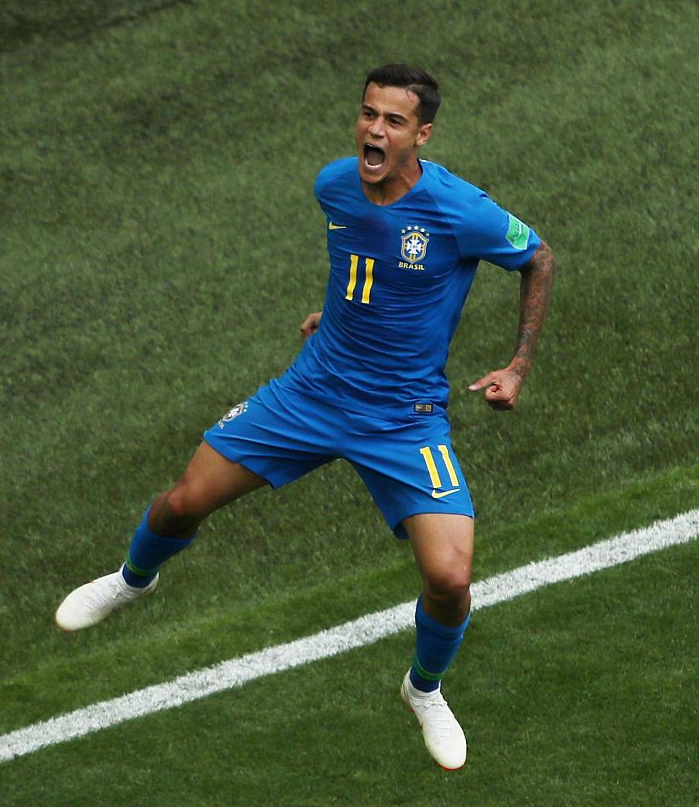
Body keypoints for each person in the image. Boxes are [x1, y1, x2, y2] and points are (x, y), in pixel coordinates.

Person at [56, 64, 556, 770]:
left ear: (423, 134)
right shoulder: (334, 185)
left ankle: (424, 687)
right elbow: (361, 264)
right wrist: (338, 317)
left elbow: (538, 256)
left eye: (393, 121)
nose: (374, 130)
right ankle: (133, 579)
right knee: (181, 501)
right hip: (311, 393)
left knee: (450, 578)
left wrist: (517, 367)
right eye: (367, 114)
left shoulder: (459, 210)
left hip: (404, 420)